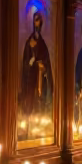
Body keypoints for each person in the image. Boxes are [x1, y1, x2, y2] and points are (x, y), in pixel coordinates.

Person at [19, 10, 53, 139]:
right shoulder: (30, 42)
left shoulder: (42, 43)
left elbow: (47, 61)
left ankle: (38, 130)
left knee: (40, 101)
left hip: (41, 79)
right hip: (31, 80)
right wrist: (31, 62)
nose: (37, 22)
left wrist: (43, 67)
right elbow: (25, 62)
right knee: (31, 102)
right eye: (35, 19)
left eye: (39, 20)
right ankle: (29, 130)